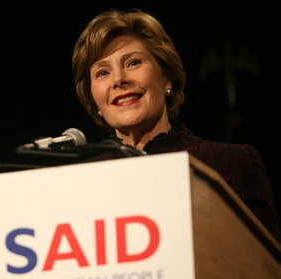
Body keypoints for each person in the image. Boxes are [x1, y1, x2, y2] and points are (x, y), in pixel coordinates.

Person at [71, 9, 280, 242]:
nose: (119, 79)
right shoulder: (80, 185)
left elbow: (266, 271)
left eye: (133, 62)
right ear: (93, 98)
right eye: (102, 72)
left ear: (166, 77)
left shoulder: (230, 165)